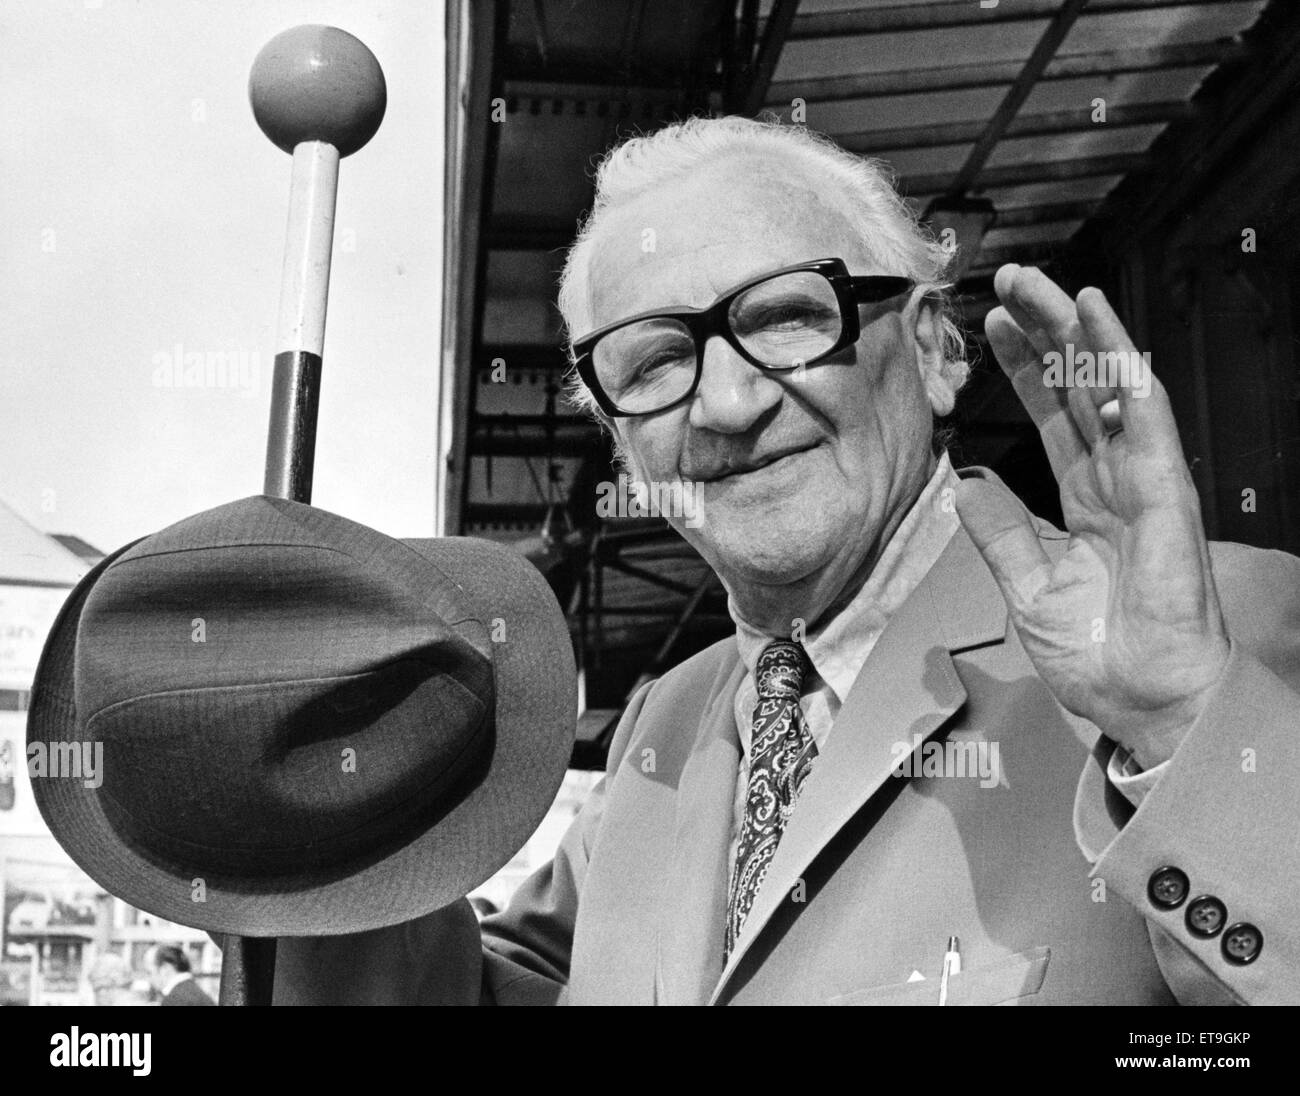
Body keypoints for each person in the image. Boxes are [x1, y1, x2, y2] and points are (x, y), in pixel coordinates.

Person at [273, 115, 1300, 1005]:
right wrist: (320, 812)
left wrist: (1175, 731)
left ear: (939, 352)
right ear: (623, 442)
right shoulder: (658, 726)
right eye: (657, 360)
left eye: (784, 316)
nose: (727, 405)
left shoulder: (1235, 633)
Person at [146, 944, 214, 1006]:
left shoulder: (174, 1000)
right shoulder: (195, 992)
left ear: (165, 969)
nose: (148, 979)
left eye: (149, 972)